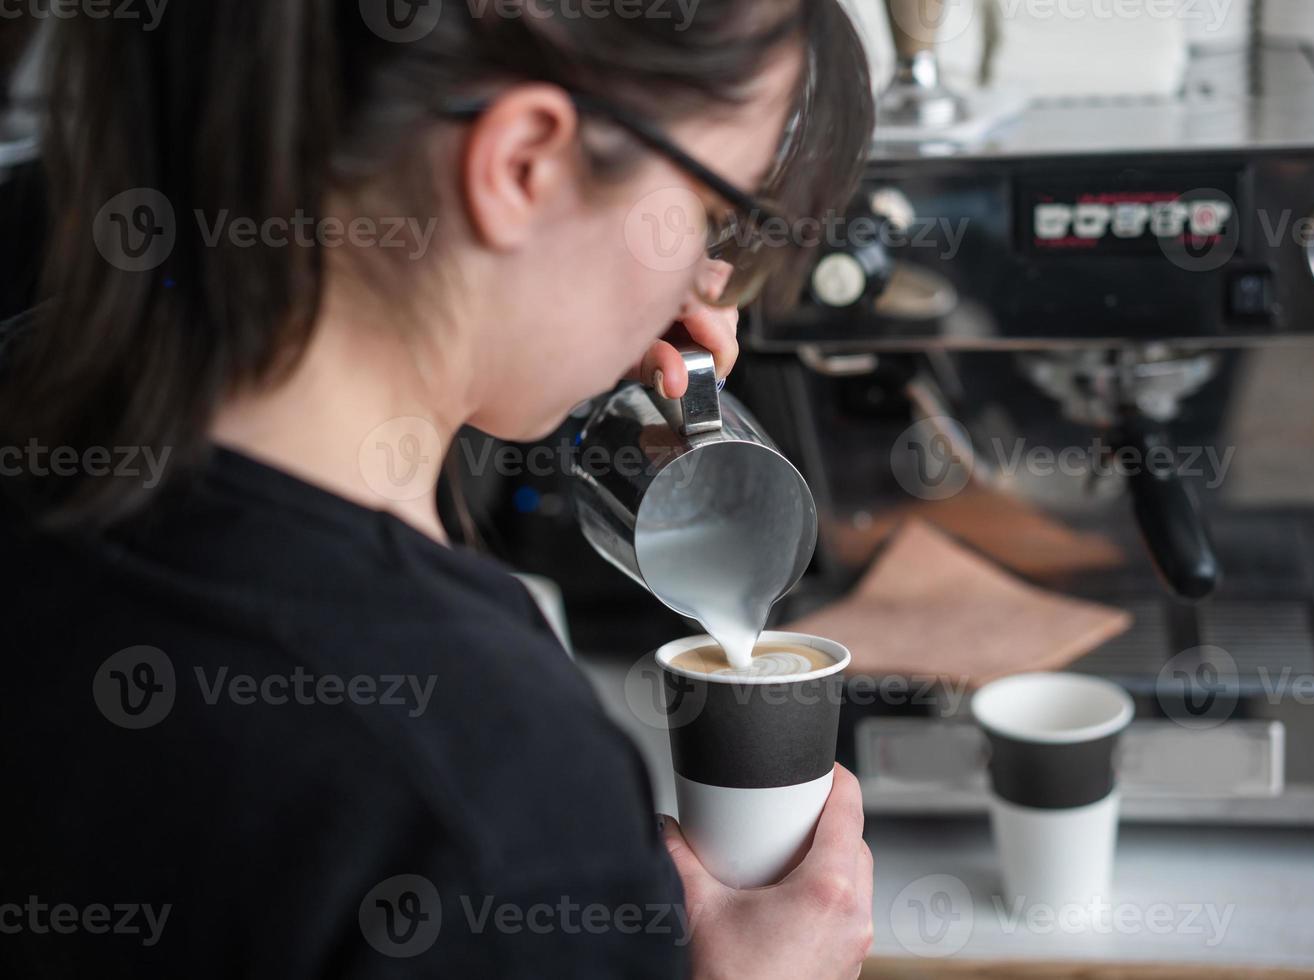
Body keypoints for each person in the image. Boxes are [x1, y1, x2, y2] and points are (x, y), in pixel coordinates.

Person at [0, 1, 874, 977]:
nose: (708, 295)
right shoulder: (488, 801)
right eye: (717, 218)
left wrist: (520, 328)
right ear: (522, 168)